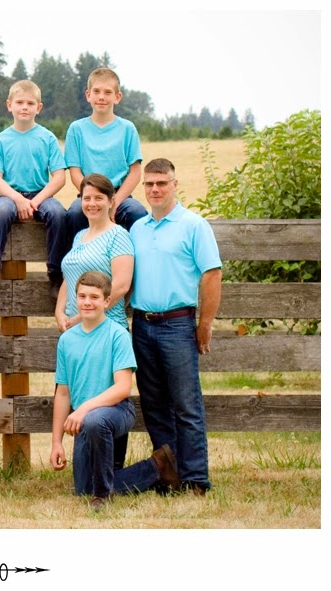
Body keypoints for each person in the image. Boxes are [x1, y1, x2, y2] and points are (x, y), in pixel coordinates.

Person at [49, 271, 181, 510]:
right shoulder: (67, 340)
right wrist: (56, 442)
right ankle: (157, 466)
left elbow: (123, 388)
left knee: (95, 420)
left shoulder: (117, 335)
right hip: (85, 422)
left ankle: (102, 496)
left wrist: (84, 409)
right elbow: (63, 393)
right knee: (83, 489)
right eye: (82, 296)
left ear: (107, 301)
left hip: (117, 411)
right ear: (75, 299)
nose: (87, 302)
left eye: (94, 297)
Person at [130, 158, 222, 496]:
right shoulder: (137, 228)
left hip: (177, 324)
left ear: (175, 185)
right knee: (153, 405)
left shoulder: (193, 225)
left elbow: (212, 273)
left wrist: (205, 323)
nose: (155, 189)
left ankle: (196, 479)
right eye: (149, 184)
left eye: (162, 183)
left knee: (186, 404)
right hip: (141, 324)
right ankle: (169, 475)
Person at [55, 173, 134, 470]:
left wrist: (80, 315)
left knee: (106, 396)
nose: (91, 203)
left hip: (105, 326)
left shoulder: (118, 236)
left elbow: (121, 284)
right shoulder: (79, 237)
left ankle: (114, 467)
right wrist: (60, 310)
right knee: (77, 390)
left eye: (98, 198)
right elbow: (71, 277)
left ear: (111, 201)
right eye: (86, 198)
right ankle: (94, 467)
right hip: (78, 330)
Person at [0, 79, 67, 298]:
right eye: (19, 102)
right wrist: (19, 200)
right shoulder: (0, 140)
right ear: (9, 105)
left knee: (59, 214)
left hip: (40, 195)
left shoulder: (47, 138)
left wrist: (36, 201)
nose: (24, 107)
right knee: (1, 213)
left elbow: (59, 177)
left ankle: (55, 273)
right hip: (10, 195)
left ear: (38, 108)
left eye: (30, 103)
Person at [63, 67, 148, 255]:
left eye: (108, 92)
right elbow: (75, 172)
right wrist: (94, 198)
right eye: (97, 91)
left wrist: (114, 202)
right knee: (75, 214)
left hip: (120, 195)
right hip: (88, 194)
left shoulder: (127, 129)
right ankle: (76, 262)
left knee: (138, 213)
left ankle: (136, 264)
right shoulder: (76, 129)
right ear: (88, 95)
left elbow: (135, 172)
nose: (101, 97)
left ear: (117, 97)